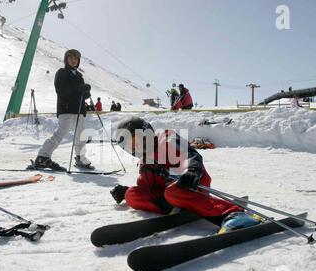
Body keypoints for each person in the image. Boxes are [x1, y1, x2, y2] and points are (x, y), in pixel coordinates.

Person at [110, 117, 259, 230]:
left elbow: (191, 155)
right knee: (132, 194)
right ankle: (181, 207)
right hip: (171, 195)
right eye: (132, 145)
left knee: (173, 192)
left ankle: (234, 214)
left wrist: (192, 170)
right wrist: (125, 192)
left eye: (140, 139)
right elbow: (148, 187)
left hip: (192, 183)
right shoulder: (145, 161)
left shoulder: (166, 139)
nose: (138, 146)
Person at [34, 49, 93, 171]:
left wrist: (86, 92)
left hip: (79, 111)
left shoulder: (79, 76)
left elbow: (81, 94)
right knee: (60, 134)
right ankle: (43, 156)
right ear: (66, 59)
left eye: (76, 59)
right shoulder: (61, 73)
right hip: (66, 109)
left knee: (81, 136)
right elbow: (61, 90)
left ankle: (80, 158)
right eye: (71, 58)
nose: (73, 60)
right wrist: (79, 88)